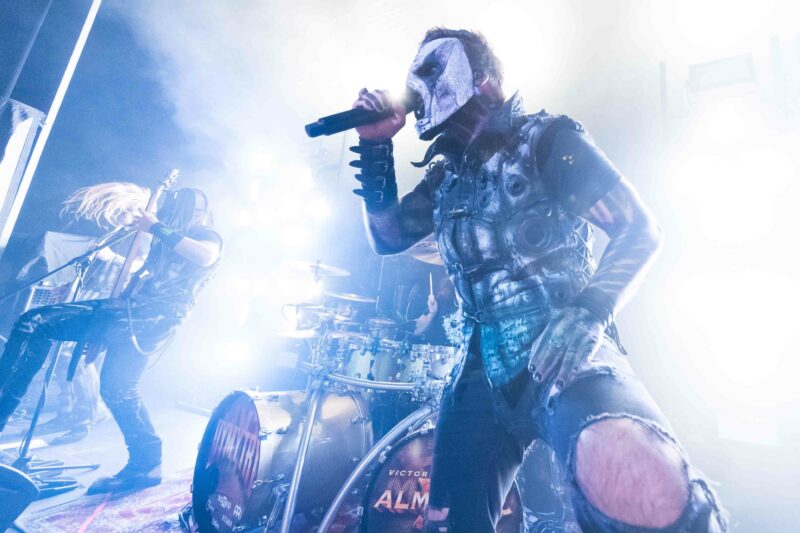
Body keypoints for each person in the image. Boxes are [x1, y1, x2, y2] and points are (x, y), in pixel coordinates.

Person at [350, 28, 726, 532]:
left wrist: (590, 310)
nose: (417, 86)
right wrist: (375, 148)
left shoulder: (547, 141)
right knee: (448, 521)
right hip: (477, 370)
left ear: (482, 80)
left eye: (433, 69)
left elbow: (638, 228)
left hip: (561, 342)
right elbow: (388, 236)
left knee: (635, 470)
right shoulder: (446, 178)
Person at [0, 185, 221, 493]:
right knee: (118, 389)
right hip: (132, 315)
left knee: (34, 323)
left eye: (197, 211)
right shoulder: (163, 242)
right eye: (190, 211)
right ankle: (147, 464)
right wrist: (102, 333)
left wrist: (156, 226)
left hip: (148, 316)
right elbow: (139, 281)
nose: (196, 216)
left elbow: (206, 257)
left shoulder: (205, 236)